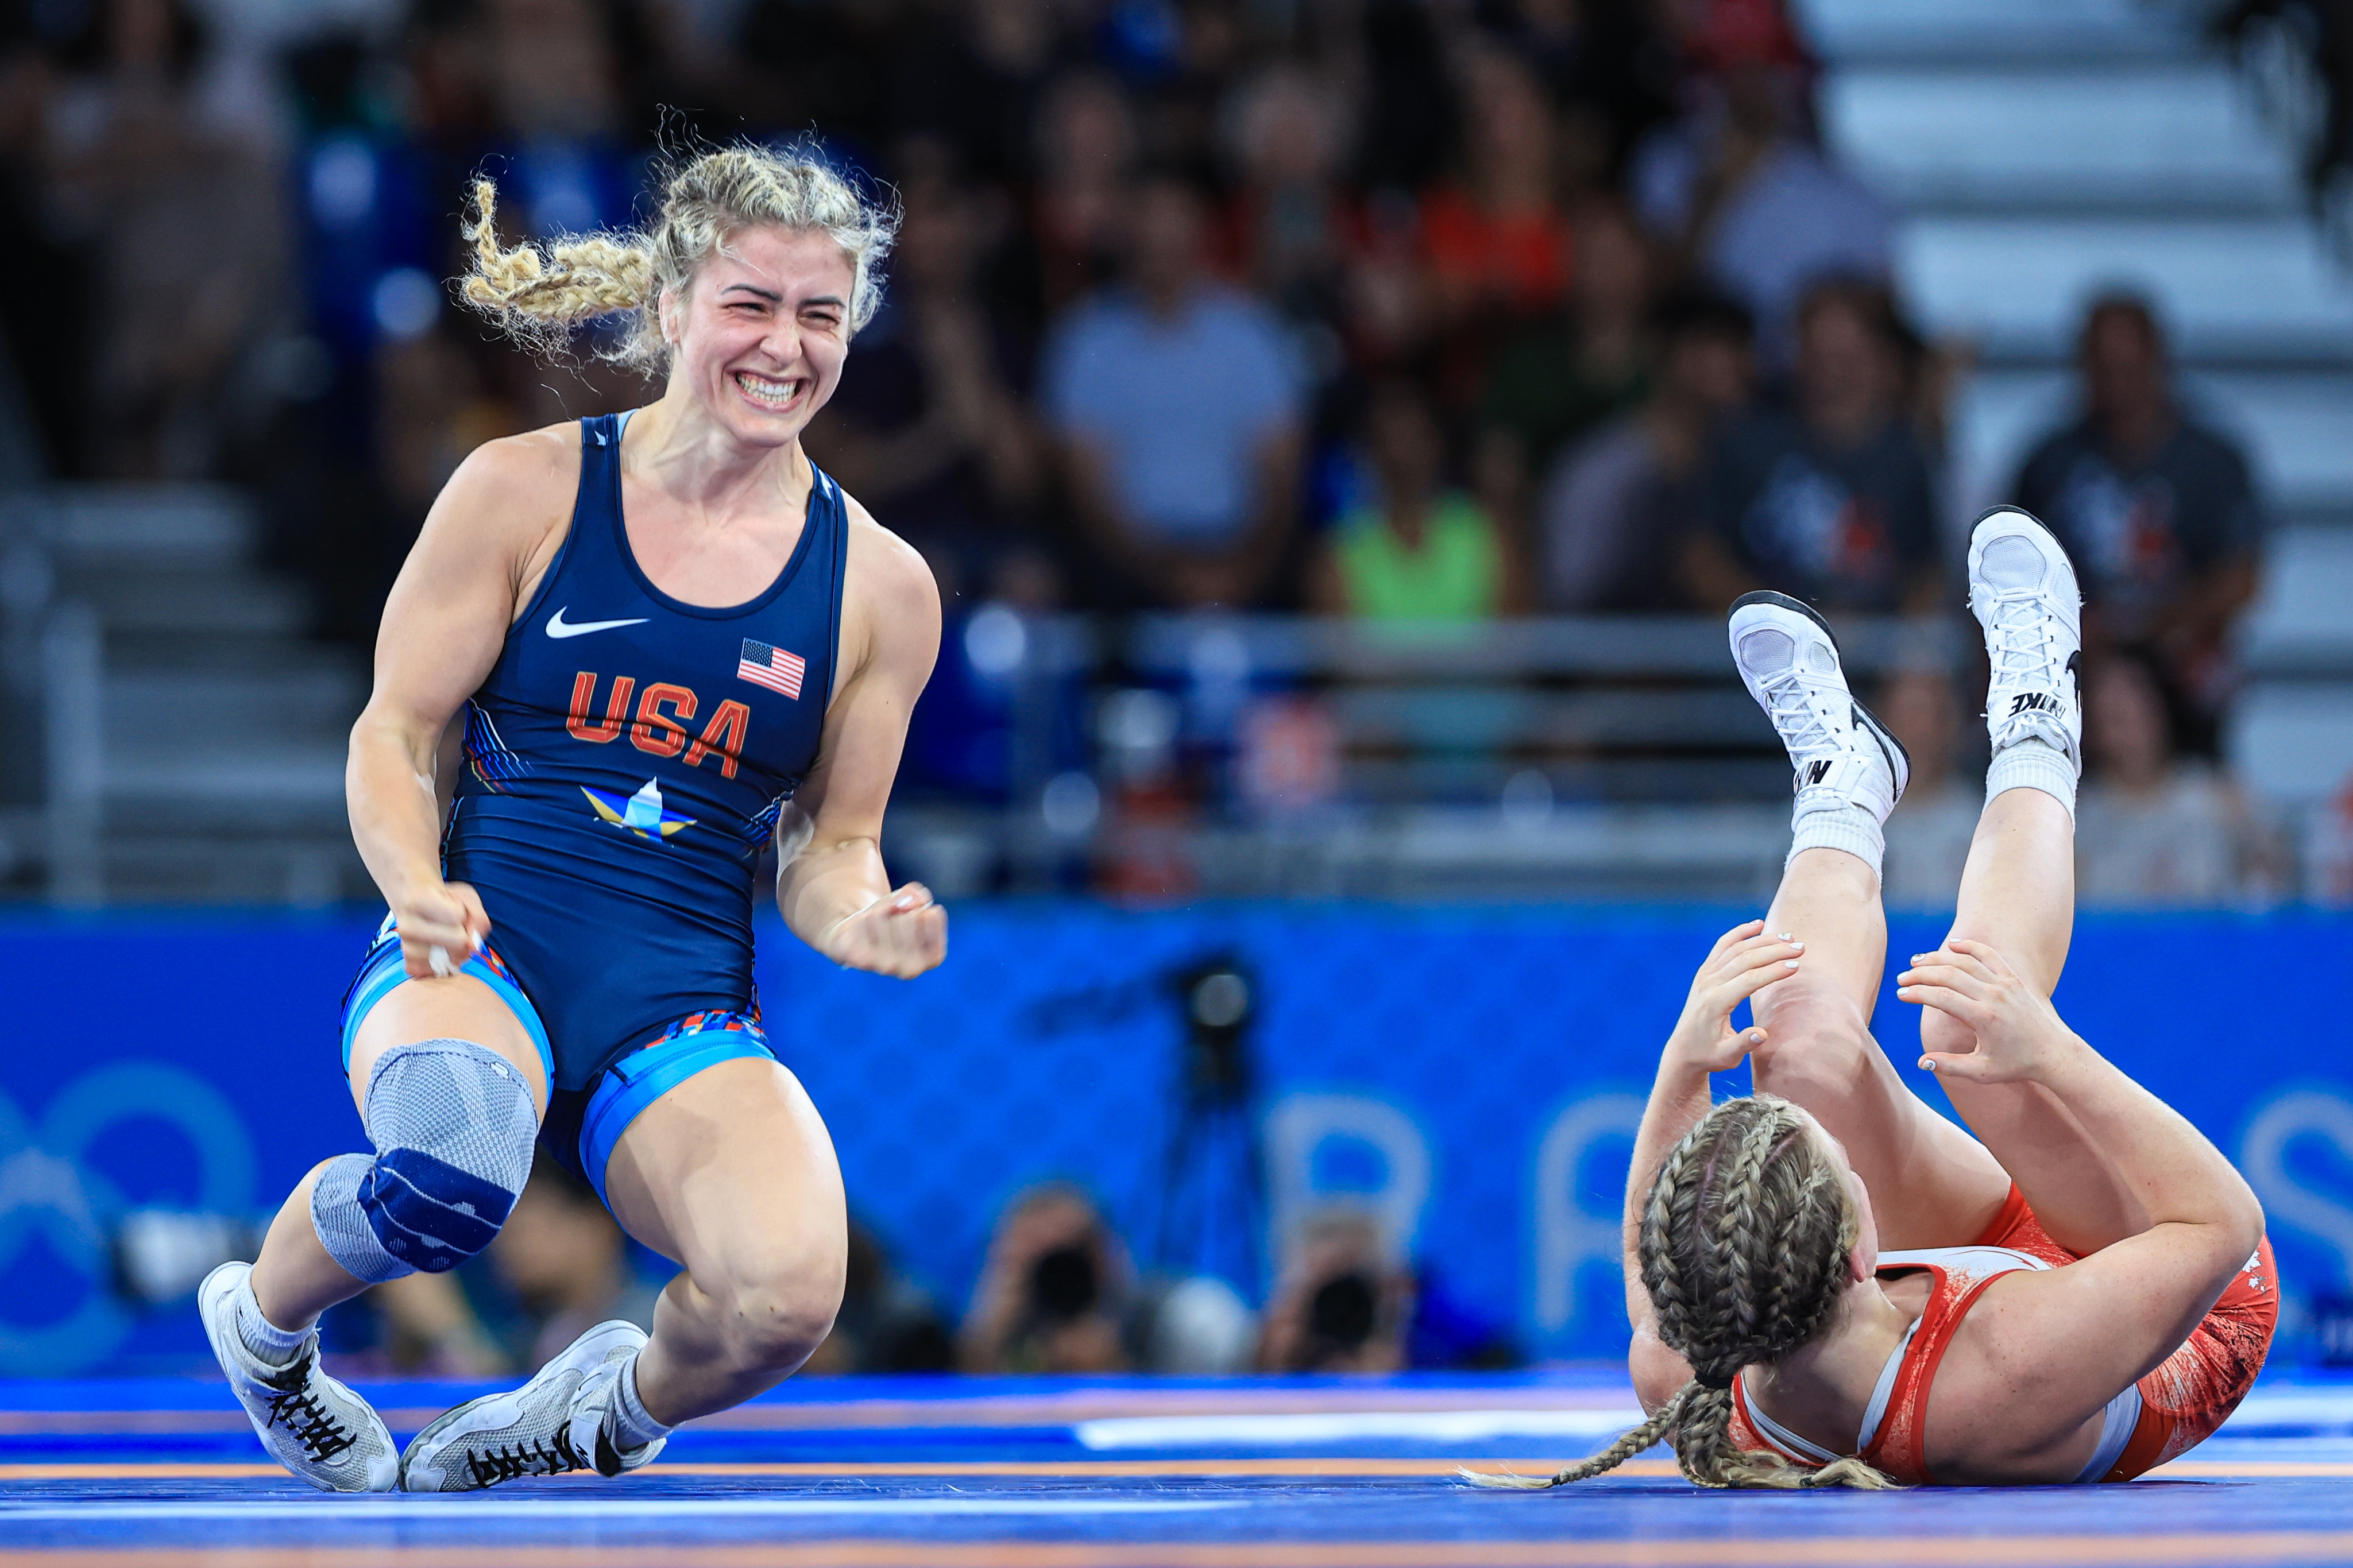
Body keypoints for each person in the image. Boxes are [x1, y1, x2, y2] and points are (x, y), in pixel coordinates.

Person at [196, 145, 947, 1493]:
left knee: (783, 1301)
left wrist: (865, 916)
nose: (784, 346)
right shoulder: (525, 490)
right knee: (453, 1168)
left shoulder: (881, 587)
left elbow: (830, 845)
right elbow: (395, 732)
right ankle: (265, 1329)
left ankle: (592, 1414)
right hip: (477, 943)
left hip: (673, 1002)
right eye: (751, 305)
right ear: (671, 307)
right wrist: (412, 879)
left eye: (819, 315)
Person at [1482, 508, 2273, 1490]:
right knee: (1972, 1026)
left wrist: (1680, 1064)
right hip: (2187, 1290)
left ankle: (1842, 787)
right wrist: (2054, 1052)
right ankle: (2034, 713)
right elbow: (2219, 1225)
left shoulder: (1693, 1359)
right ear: (1861, 1254)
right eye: (1839, 1168)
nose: (1846, 1147)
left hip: (1989, 1287)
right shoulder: (2006, 1369)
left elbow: (1658, 1267)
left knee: (1797, 1044)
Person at [2011, 295, 2266, 748]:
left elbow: (2241, 579)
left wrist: (2150, 625)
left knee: (2207, 668)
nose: (2117, 382)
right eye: (2104, 366)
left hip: (2181, 661)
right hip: (2079, 664)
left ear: (2158, 359)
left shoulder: (2210, 460)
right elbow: (2011, 577)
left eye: (2129, 365)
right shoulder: (2050, 463)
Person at [1044, 173, 1304, 609]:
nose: (1162, 238)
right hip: (1128, 566)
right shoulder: (1086, 340)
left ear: (1203, 230)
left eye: (1176, 220)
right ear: (1127, 232)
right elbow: (1086, 489)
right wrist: (1161, 573)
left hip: (1238, 553)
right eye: (1150, 221)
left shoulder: (1252, 334)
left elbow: (1281, 475)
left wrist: (1242, 569)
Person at [1684, 278, 1941, 615]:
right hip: (1764, 653)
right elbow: (1700, 558)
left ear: (1882, 359)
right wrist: (1776, 625)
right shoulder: (1748, 442)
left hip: (1873, 658)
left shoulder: (1906, 456)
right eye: (1819, 354)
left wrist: (1911, 647)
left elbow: (1927, 573)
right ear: (1797, 355)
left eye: (1847, 357)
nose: (1832, 372)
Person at [1532, 287, 1752, 613]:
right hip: (1630, 654)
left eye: (1735, 347)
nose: (1723, 363)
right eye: (1704, 345)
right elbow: (1574, 601)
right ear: (1659, 353)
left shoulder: (1760, 456)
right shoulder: (1598, 472)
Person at [1308, 376, 1520, 622]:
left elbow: (1514, 643)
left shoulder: (1491, 533)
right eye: (1387, 442)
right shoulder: (1338, 551)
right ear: (1368, 453)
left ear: (1438, 443)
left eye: (1413, 439)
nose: (1401, 457)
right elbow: (1340, 654)